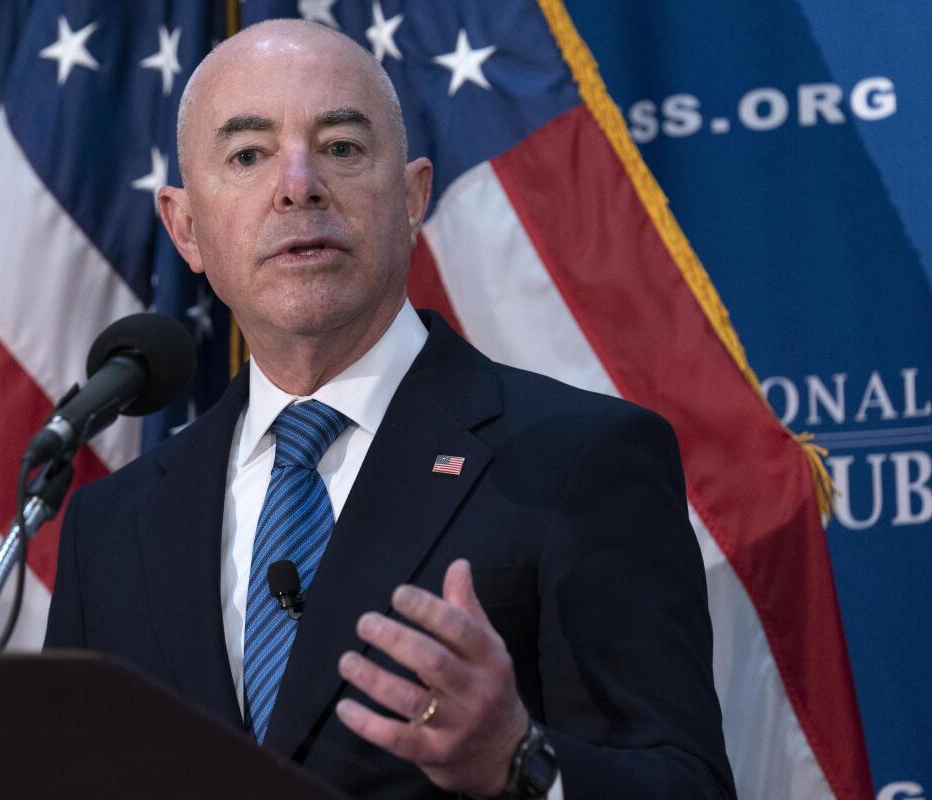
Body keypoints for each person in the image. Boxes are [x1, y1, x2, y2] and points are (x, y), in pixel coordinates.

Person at [45, 19, 735, 800]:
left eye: (341, 147)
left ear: (411, 198)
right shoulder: (111, 528)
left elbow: (689, 787)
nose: (298, 183)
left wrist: (520, 760)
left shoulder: (580, 460)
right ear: (186, 227)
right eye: (248, 155)